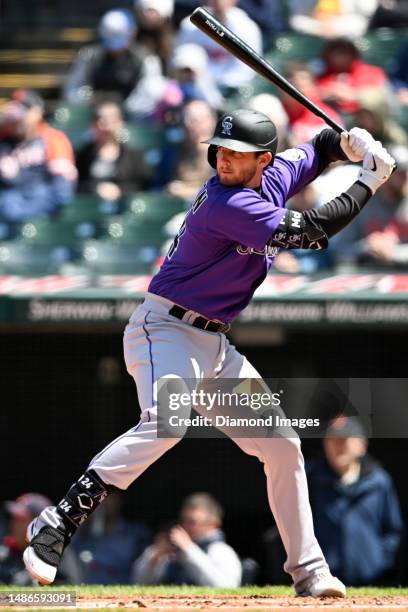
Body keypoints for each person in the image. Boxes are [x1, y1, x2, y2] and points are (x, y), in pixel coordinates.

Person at [23, 108, 395, 597]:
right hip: (166, 327)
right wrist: (368, 179)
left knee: (282, 444)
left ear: (263, 159)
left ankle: (309, 571)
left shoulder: (277, 173)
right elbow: (310, 232)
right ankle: (58, 521)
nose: (222, 159)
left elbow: (320, 146)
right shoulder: (226, 202)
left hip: (214, 344)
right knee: (167, 423)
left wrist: (347, 144)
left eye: (235, 154)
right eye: (218, 150)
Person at [307, 417, 403, 585]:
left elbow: (392, 529)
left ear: (362, 445)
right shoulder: (310, 479)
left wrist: (379, 560)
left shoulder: (379, 482)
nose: (338, 446)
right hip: (321, 580)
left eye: (344, 440)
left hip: (371, 579)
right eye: (332, 440)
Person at [0, 89, 77, 222]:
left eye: (24, 110)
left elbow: (62, 194)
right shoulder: (4, 139)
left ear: (37, 113)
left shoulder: (53, 139)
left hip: (41, 216)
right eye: (15, 109)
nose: (18, 116)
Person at [133, 493, 241, 586]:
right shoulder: (173, 547)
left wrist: (189, 549)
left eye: (192, 522)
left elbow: (226, 587)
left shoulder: (220, 550)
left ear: (214, 525)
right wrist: (155, 557)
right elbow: (138, 582)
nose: (185, 527)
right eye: (183, 521)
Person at [63, 9, 161, 106]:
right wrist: (91, 100)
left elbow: (152, 94)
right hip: (94, 113)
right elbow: (72, 90)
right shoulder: (89, 55)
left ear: (133, 34)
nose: (115, 50)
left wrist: (124, 108)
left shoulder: (145, 59)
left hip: (132, 115)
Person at [176, 0, 262, 90]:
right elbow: (177, 62)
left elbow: (246, 72)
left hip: (233, 90)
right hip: (196, 88)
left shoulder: (247, 28)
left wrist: (219, 85)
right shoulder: (192, 24)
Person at [75, 101, 151, 201]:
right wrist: (95, 189)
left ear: (121, 122)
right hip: (92, 208)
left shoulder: (133, 155)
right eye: (101, 119)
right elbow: (77, 186)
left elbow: (144, 186)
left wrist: (120, 190)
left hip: (125, 208)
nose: (106, 125)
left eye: (112, 119)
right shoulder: (84, 155)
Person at [71, 492, 151, 584]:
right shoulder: (81, 532)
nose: (102, 503)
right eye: (97, 499)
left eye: (107, 497)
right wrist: (80, 523)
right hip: (83, 588)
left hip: (122, 591)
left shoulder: (136, 533)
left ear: (119, 501)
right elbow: (65, 554)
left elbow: (144, 569)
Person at [0, 494, 81, 585]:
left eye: (21, 520)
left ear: (38, 523)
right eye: (14, 519)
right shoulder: (6, 552)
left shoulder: (57, 551)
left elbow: (69, 590)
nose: (14, 525)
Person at [316, 38, 389, 117]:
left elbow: (382, 98)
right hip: (333, 120)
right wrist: (329, 92)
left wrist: (353, 95)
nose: (340, 57)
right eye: (336, 53)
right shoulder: (322, 75)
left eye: (345, 52)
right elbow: (312, 94)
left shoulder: (372, 72)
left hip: (366, 120)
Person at [165, 100, 217, 201]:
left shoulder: (221, 155)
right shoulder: (177, 152)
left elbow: (218, 192)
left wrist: (186, 191)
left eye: (194, 120)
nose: (188, 125)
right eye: (186, 121)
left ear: (210, 121)